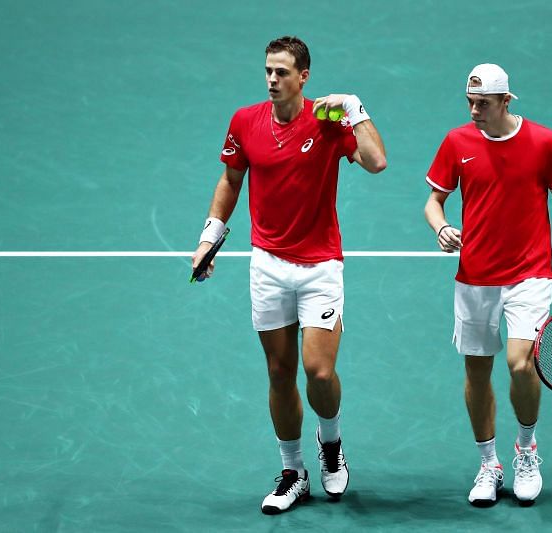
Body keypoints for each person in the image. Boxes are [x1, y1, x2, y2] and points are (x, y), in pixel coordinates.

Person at [191, 36, 387, 515]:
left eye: (282, 72)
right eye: (268, 71)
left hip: (320, 265)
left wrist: (354, 108)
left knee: (318, 371)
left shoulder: (326, 119)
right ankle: (293, 470)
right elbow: (231, 180)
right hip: (269, 266)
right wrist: (209, 237)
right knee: (280, 372)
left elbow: (376, 162)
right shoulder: (245, 121)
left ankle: (332, 442)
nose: (273, 80)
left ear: (304, 77)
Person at [423, 63, 552, 507]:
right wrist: (440, 227)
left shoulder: (544, 141)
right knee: (476, 373)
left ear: (505, 102)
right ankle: (487, 464)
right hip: (475, 277)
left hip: (529, 273)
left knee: (520, 364)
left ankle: (526, 450)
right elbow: (434, 200)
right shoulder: (457, 142)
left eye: (483, 103)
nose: (474, 109)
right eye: (469, 102)